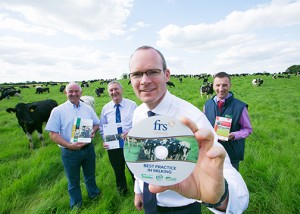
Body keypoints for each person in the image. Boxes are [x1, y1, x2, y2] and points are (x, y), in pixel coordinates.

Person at [129, 46, 249, 214]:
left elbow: (225, 170)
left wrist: (222, 198)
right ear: (130, 78)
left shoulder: (192, 118)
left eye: (153, 72)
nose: (144, 80)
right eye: (137, 74)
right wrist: (139, 190)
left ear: (167, 74)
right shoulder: (138, 113)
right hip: (150, 204)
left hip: (182, 207)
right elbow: (141, 157)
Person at [45, 82, 100, 209]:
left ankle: (94, 196)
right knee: (73, 182)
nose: (74, 94)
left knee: (90, 176)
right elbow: (53, 134)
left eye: (76, 91)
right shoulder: (58, 111)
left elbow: (96, 123)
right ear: (65, 92)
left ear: (81, 93)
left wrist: (93, 131)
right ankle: (76, 206)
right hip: (70, 152)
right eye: (71, 91)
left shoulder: (88, 108)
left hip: (88, 149)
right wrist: (69, 145)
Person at [203, 72, 253, 171]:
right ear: (213, 86)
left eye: (224, 85)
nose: (221, 89)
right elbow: (203, 125)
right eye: (217, 85)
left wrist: (233, 135)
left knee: (231, 183)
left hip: (231, 154)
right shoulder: (207, 105)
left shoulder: (240, 107)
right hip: (211, 151)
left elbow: (247, 129)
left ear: (230, 85)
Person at [99, 80, 137, 195]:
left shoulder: (132, 105)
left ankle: (139, 193)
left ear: (122, 90)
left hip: (131, 143)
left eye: (116, 89)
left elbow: (138, 123)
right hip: (113, 146)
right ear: (108, 92)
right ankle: (122, 193)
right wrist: (105, 141)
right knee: (118, 170)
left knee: (134, 170)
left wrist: (131, 132)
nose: (114, 92)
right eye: (111, 90)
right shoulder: (105, 108)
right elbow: (102, 127)